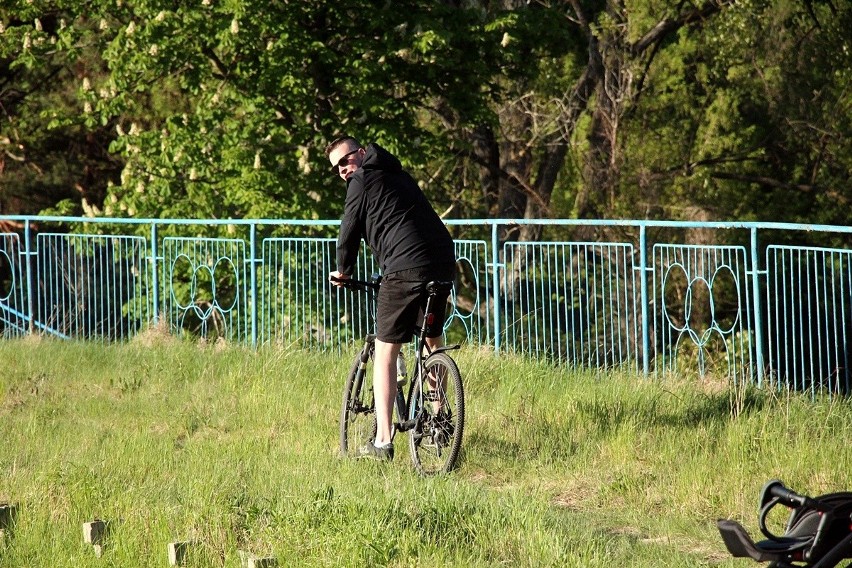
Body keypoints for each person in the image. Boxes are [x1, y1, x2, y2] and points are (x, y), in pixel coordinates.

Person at [326, 135, 456, 461]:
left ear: (360, 152)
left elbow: (349, 228)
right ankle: (440, 418)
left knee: (385, 351)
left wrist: (343, 270)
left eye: (345, 161)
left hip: (404, 269)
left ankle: (383, 441)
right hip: (441, 262)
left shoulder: (362, 179)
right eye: (336, 167)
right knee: (431, 341)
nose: (342, 170)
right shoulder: (398, 174)